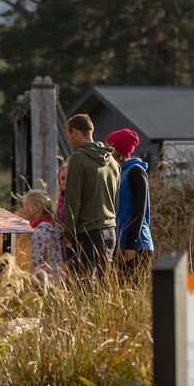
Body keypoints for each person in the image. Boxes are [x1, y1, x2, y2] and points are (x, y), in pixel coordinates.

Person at [62, 113, 120, 273]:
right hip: (110, 231)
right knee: (103, 283)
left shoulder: (77, 159)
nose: (69, 141)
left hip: (86, 233)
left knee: (83, 283)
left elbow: (72, 200)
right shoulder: (112, 161)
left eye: (68, 136)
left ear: (75, 132)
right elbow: (116, 200)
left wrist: (68, 235)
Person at [104, 128, 154, 269]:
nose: (106, 152)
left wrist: (131, 243)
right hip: (120, 244)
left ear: (117, 151)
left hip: (136, 246)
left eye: (108, 148)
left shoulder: (135, 171)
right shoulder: (118, 172)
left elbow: (140, 209)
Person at [21, 189, 65, 278]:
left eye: (26, 205)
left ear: (37, 208)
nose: (23, 208)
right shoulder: (51, 228)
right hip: (57, 279)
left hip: (43, 280)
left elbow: (36, 262)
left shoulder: (40, 233)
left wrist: (33, 281)